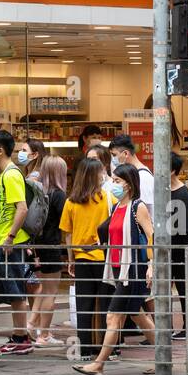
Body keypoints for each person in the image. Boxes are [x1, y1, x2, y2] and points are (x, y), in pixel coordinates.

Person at [73, 162, 154, 375]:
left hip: (133, 270)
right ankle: (165, 359)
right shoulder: (117, 206)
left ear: (128, 184)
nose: (113, 184)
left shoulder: (139, 206)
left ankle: (98, 364)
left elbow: (151, 236)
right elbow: (114, 236)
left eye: (117, 181)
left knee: (112, 317)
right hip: (118, 269)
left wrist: (151, 265)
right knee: (138, 317)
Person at [60, 154, 113, 361]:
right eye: (101, 171)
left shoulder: (71, 202)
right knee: (105, 305)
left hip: (82, 259)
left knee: (84, 306)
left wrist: (71, 259)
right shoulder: (109, 199)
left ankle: (85, 349)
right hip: (103, 258)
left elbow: (68, 234)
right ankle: (107, 349)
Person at [0, 128, 33, 354]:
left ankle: (21, 337)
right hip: (6, 243)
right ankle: (19, 335)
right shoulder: (5, 174)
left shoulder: (11, 174)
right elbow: (1, 212)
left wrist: (10, 238)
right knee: (14, 292)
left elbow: (21, 209)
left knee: (16, 293)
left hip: (12, 244)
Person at [30, 154, 67, 345]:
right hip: (52, 246)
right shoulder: (59, 195)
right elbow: (65, 222)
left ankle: (32, 325)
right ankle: (43, 335)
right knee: (51, 292)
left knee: (43, 289)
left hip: (37, 246)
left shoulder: (38, 192)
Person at [167, 151, 188, 339]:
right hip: (171, 247)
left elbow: (183, 226)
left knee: (184, 287)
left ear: (171, 171)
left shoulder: (182, 193)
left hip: (182, 247)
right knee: (169, 287)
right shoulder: (166, 191)